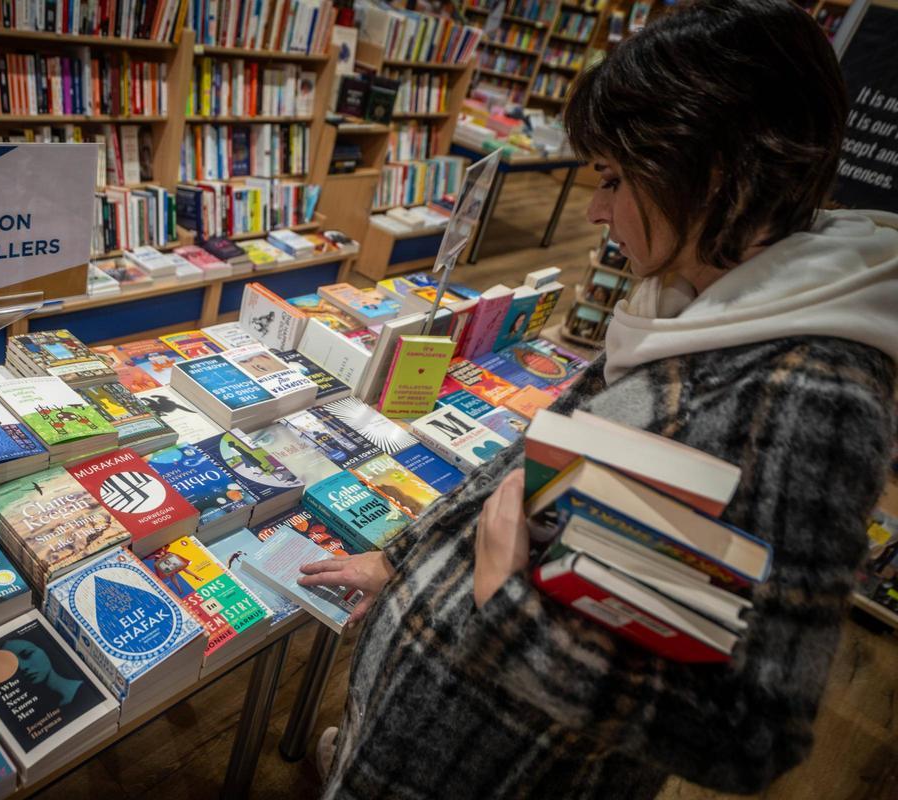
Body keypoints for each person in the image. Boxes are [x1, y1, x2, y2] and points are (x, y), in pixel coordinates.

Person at [298, 1, 898, 797]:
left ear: (714, 170)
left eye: (615, 179)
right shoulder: (693, 300)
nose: (595, 211)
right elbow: (538, 460)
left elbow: (748, 732)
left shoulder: (812, 395)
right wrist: (403, 560)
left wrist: (505, 611)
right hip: (417, 732)